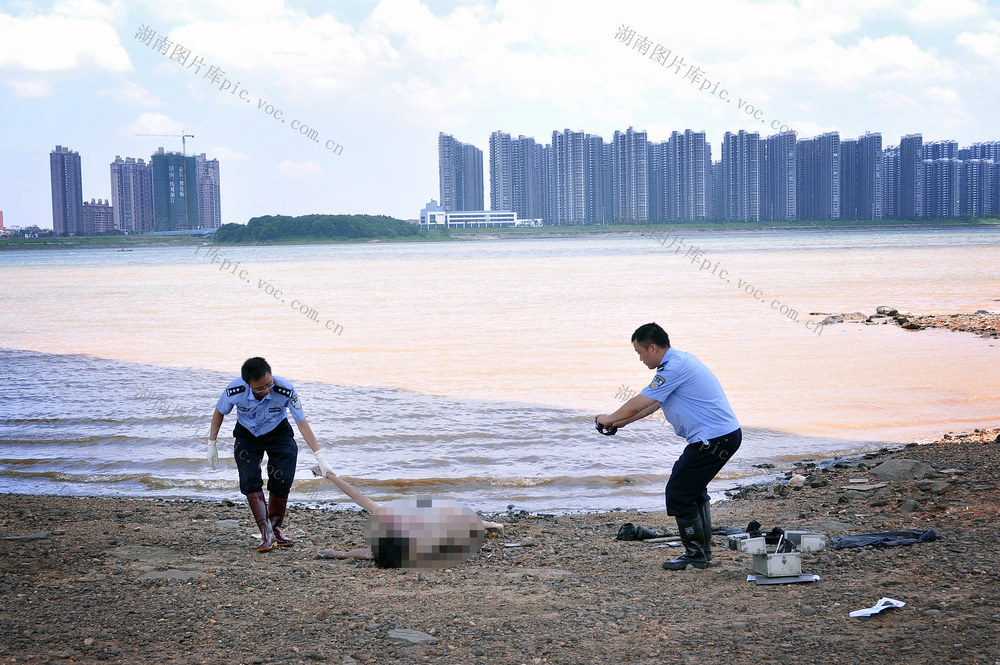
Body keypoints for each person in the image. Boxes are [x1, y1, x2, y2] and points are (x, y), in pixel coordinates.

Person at [596, 323, 741, 571]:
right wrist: (619, 423)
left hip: (714, 440)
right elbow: (654, 405)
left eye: (640, 353)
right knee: (692, 490)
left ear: (652, 348)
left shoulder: (673, 368)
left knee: (679, 492)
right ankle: (702, 552)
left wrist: (608, 418)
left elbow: (641, 400)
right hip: (722, 437)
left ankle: (694, 554)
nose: (640, 359)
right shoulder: (678, 362)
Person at [206, 357, 335, 552]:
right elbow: (219, 411)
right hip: (247, 434)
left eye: (269, 384)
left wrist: (320, 457)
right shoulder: (235, 390)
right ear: (248, 384)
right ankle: (265, 533)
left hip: (278, 433)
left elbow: (301, 422)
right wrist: (212, 443)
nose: (266, 390)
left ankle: (275, 529)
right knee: (250, 480)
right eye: (259, 388)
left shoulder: (285, 389)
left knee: (282, 479)